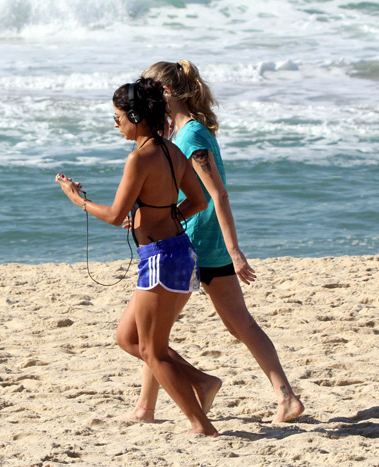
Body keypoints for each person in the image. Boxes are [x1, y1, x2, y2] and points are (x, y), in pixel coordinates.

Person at [116, 60, 305, 424]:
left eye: (150, 89)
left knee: (147, 335)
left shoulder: (192, 137)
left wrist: (235, 251)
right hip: (198, 242)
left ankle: (187, 392)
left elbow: (217, 195)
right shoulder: (184, 134)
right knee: (228, 326)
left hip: (195, 246)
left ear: (165, 94)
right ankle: (286, 397)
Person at [56, 78, 219, 436]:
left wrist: (77, 199)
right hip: (177, 254)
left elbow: (115, 216)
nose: (116, 124)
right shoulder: (171, 151)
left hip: (161, 260)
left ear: (135, 115)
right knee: (129, 339)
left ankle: (201, 424)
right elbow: (198, 201)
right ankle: (201, 382)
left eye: (117, 117)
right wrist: (164, 215)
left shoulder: (138, 158)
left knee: (153, 351)